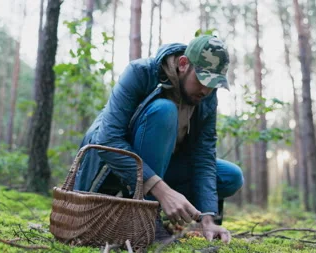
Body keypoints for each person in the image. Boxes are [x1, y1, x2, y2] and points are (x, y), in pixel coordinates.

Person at [72, 35, 244, 243]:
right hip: (114, 169)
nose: (206, 90)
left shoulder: (206, 98)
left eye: (213, 84)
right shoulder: (140, 73)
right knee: (164, 110)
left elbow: (203, 155)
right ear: (183, 64)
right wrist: (162, 190)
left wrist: (207, 217)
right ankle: (145, 219)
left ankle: (158, 211)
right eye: (202, 80)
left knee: (230, 176)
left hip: (161, 170)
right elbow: (106, 140)